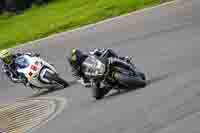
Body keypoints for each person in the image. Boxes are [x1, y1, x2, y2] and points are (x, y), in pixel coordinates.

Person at [67, 48, 132, 99]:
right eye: (77, 58)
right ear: (73, 62)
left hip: (101, 65)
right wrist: (89, 82)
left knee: (108, 51)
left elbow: (97, 52)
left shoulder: (88, 55)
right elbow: (83, 82)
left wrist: (99, 52)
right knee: (96, 95)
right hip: (94, 77)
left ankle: (122, 59)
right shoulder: (75, 71)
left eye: (79, 55)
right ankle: (109, 86)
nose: (79, 58)